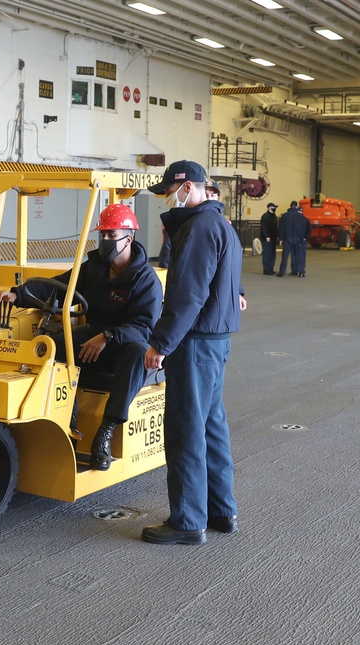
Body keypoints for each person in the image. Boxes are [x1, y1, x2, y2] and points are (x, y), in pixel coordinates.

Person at [0, 203, 162, 471]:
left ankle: (106, 431)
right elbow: (61, 286)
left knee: (136, 353)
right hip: (96, 335)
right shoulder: (95, 267)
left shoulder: (145, 279)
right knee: (54, 346)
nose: (105, 240)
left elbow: (144, 326)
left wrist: (108, 335)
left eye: (111, 236)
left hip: (125, 342)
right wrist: (19, 294)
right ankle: (67, 424)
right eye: (102, 235)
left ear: (128, 239)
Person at [142, 160, 241, 546]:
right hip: (216, 341)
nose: (168, 198)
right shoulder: (219, 225)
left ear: (188, 188)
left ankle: (187, 521)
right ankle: (221, 511)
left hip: (196, 342)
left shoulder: (199, 229)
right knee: (212, 428)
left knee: (185, 429)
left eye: (170, 191)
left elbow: (188, 296)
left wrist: (160, 344)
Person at [277, 200, 311, 277]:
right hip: (298, 239)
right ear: (296, 206)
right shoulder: (302, 217)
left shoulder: (285, 216)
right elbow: (307, 228)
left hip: (287, 239)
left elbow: (281, 228)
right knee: (300, 256)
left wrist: (281, 239)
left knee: (285, 257)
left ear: (290, 205)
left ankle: (282, 272)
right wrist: (304, 237)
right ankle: (301, 272)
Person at [259, 202, 279, 275]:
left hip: (273, 238)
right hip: (267, 239)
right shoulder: (265, 216)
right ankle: (266, 270)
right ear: (269, 208)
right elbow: (263, 227)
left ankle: (271, 269)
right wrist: (267, 236)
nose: (275, 209)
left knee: (272, 254)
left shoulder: (274, 216)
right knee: (267, 254)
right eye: (273, 207)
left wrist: (277, 236)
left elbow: (275, 227)